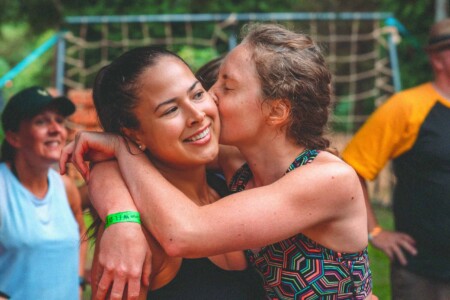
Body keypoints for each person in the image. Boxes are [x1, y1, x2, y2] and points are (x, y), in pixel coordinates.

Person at [62, 23, 374, 299]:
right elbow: (117, 162)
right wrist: (121, 218)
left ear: (276, 112)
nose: (209, 100)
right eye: (171, 109)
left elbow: (185, 230)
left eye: (225, 86)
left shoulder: (325, 179)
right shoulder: (240, 170)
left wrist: (118, 147)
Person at [79, 46, 265, 299]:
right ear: (133, 132)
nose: (197, 115)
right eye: (170, 110)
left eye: (197, 94)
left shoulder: (232, 186)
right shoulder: (137, 235)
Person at [341, 18, 450, 299]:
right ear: (438, 59)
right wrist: (375, 231)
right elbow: (349, 170)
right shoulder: (407, 107)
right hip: (424, 272)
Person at [0, 86, 87, 299]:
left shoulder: (65, 187)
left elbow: (80, 232)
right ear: (14, 138)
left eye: (59, 120)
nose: (56, 128)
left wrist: (78, 280)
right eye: (41, 121)